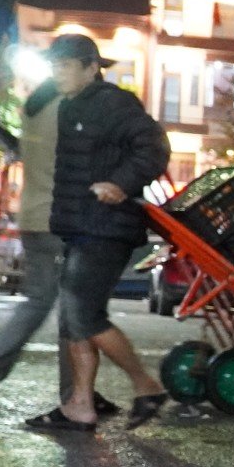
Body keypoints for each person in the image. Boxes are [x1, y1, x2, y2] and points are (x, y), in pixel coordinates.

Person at [23, 33, 170, 433]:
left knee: (84, 316)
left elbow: (154, 148)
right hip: (80, 226)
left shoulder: (113, 102)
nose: (58, 72)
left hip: (107, 227)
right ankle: (80, 405)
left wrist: (120, 183)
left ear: (92, 68)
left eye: (66, 65)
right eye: (55, 65)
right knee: (73, 320)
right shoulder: (71, 105)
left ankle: (146, 384)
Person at [0, 65, 116, 416]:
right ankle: (75, 393)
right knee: (74, 309)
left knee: (40, 301)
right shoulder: (72, 109)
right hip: (63, 220)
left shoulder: (36, 107)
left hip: (34, 217)